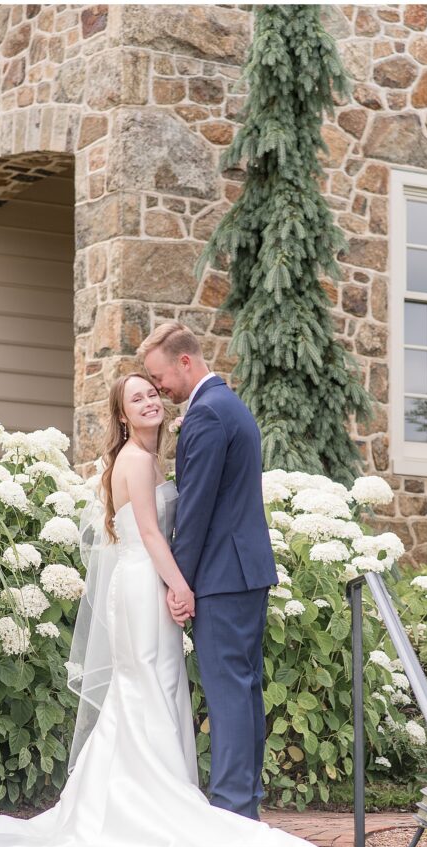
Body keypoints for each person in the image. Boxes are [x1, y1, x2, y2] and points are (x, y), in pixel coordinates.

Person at [0, 371, 328, 847]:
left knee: (157, 690)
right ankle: (148, 800)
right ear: (122, 416)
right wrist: (181, 586)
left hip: (148, 585)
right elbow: (147, 534)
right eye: (136, 398)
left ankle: (148, 790)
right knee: (147, 688)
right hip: (144, 586)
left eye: (153, 394)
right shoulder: (135, 463)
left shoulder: (147, 458)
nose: (150, 401)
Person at [142, 321, 277, 821]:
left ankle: (231, 808)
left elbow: (194, 512)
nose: (159, 388)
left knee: (228, 692)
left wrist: (180, 583)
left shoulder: (206, 416)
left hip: (223, 574)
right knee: (241, 688)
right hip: (243, 570)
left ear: (185, 361)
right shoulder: (225, 405)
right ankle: (244, 804)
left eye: (160, 377)